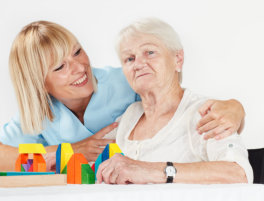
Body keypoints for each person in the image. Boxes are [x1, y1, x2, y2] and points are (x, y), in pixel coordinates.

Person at [0, 21, 245, 171]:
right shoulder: (37, 114)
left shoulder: (124, 81)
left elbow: (182, 104)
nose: (79, 67)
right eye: (60, 67)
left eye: (77, 52)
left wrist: (236, 108)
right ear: (39, 84)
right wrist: (71, 151)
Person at [96, 18, 253, 184]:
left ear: (178, 59)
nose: (138, 64)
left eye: (150, 52)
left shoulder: (205, 113)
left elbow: (239, 173)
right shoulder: (129, 116)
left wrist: (153, 171)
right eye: (129, 59)